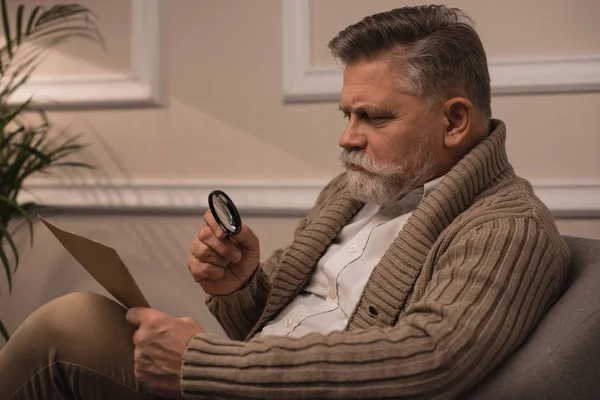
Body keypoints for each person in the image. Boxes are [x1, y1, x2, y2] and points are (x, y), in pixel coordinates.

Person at [0, 5, 570, 399]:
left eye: (373, 116)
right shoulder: (354, 191)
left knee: (68, 323)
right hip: (239, 381)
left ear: (454, 120)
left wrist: (202, 366)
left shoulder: (507, 227)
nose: (347, 136)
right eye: (346, 114)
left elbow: (429, 361)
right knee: (83, 318)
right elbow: (275, 323)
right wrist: (239, 285)